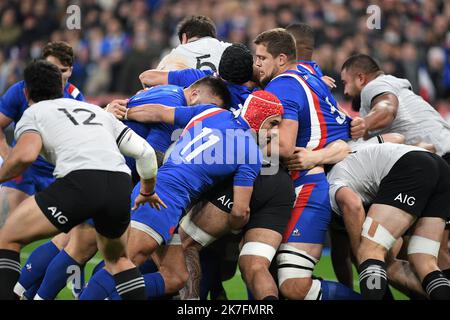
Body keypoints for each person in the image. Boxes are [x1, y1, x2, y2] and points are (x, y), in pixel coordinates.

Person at [25, 76, 230, 300]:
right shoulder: (176, 105)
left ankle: (22, 292)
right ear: (195, 94)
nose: (208, 116)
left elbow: (144, 83)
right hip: (108, 175)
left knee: (173, 274)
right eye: (210, 108)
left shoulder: (165, 92)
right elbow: (152, 154)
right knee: (83, 248)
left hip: (102, 169)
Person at [80, 90, 283, 300]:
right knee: (122, 264)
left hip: (157, 191)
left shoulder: (212, 112)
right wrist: (235, 228)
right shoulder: (251, 151)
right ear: (261, 117)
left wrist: (124, 112)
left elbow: (159, 113)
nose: (273, 132)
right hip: (164, 201)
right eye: (273, 123)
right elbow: (240, 210)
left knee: (175, 276)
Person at [0, 60, 164, 300]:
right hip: (119, 184)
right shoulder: (95, 110)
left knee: (8, 237)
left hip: (81, 181)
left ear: (26, 93)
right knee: (118, 260)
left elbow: (24, 156)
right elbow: (146, 153)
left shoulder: (33, 113)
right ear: (61, 86)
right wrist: (148, 191)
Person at [254, 28, 358, 300]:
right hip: (325, 172)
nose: (257, 65)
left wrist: (244, 138)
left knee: (294, 285)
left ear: (282, 58)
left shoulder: (283, 85)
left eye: (262, 58)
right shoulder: (310, 74)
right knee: (268, 269)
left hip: (308, 184)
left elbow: (286, 147)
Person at [341, 53, 450, 281]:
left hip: (440, 160)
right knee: (420, 252)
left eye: (346, 83)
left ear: (361, 78)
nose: (345, 91)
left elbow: (387, 108)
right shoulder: (395, 86)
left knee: (434, 253)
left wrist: (365, 124)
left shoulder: (376, 86)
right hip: (435, 163)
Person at [0, 41, 88, 300]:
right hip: (23, 171)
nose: (56, 76)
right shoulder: (21, 91)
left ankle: (38, 290)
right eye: (51, 69)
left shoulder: (75, 99)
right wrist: (8, 157)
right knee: (6, 232)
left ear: (70, 71)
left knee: (72, 237)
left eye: (62, 70)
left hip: (57, 174)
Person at [328, 142, 450, 300]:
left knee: (369, 251)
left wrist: (361, 255)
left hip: (412, 166)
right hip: (440, 169)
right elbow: (395, 137)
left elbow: (353, 205)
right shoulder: (352, 150)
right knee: (424, 262)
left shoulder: (329, 182)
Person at [140, 43, 255, 111]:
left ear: (220, 64)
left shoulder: (199, 77)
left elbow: (146, 77)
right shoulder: (251, 100)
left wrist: (150, 92)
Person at [157, 15, 231, 71]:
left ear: (184, 38)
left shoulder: (175, 54)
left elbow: (154, 84)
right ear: (213, 36)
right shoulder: (228, 48)